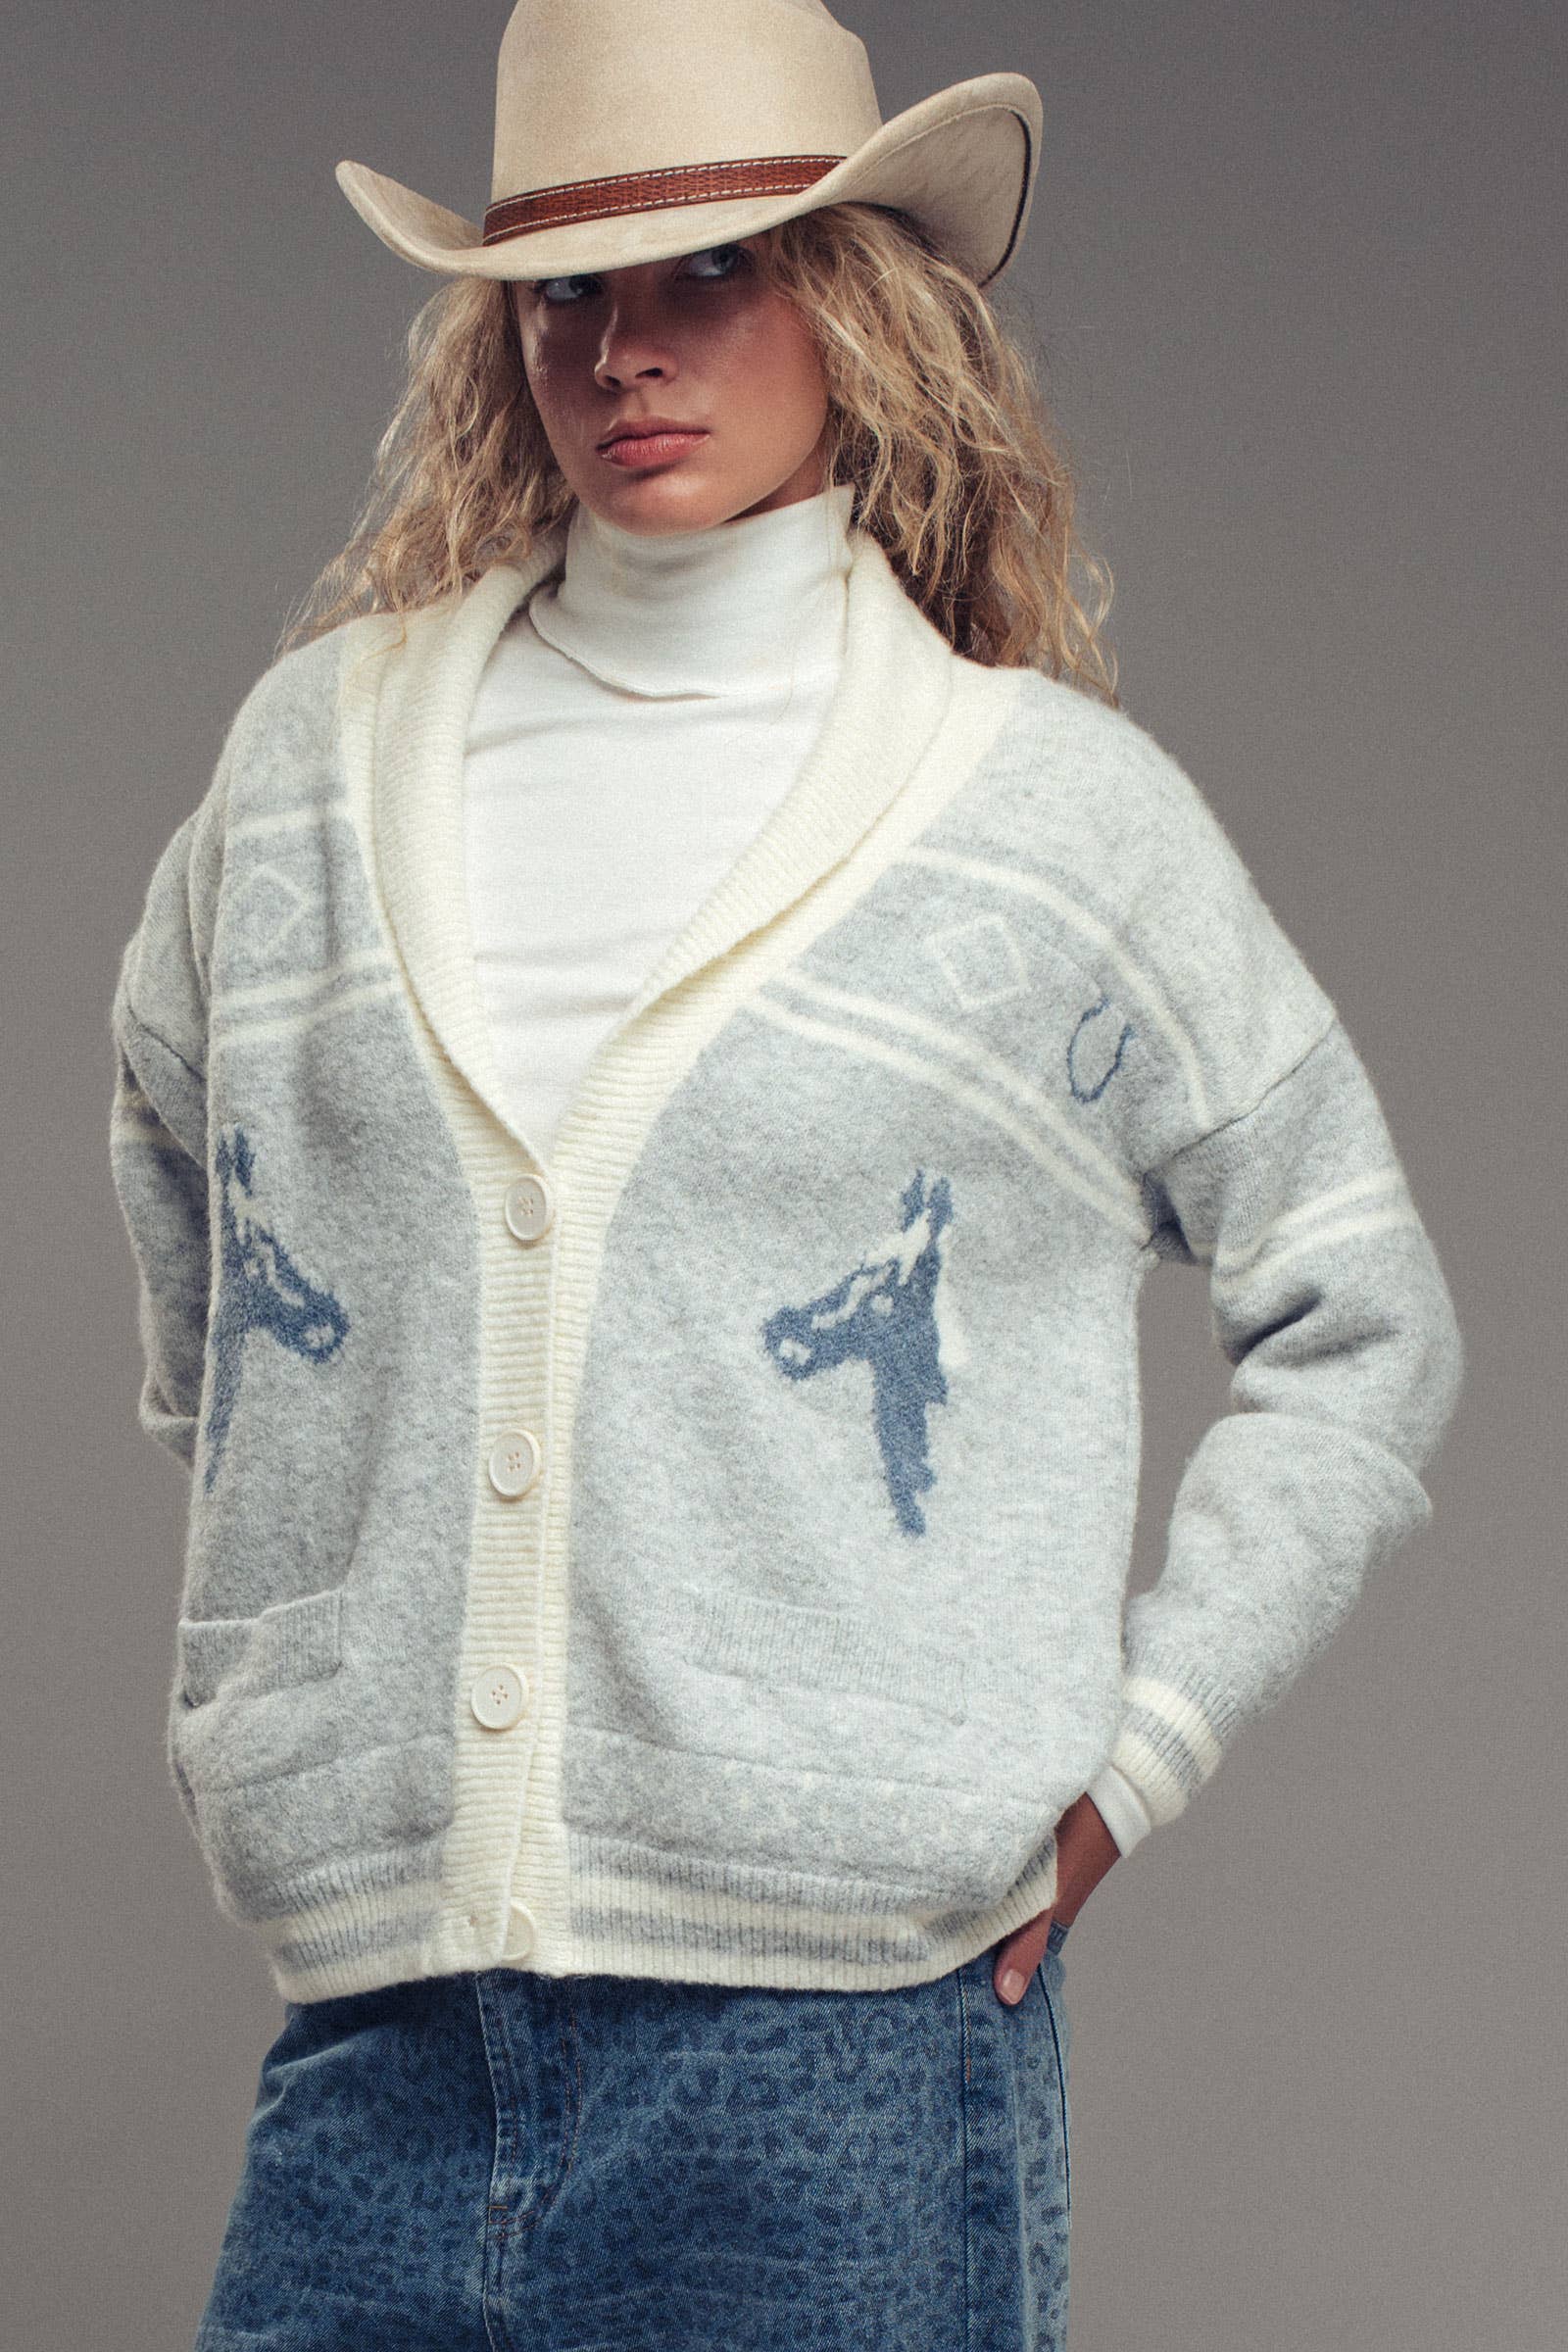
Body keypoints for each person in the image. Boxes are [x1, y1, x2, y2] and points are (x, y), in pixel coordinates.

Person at [106, 3, 1463, 2346]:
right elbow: (201, 1224)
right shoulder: (310, 768)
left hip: (840, 2069)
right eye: (562, 289)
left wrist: (1131, 1754)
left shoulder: (1045, 829)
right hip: (379, 2044)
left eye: (711, 271)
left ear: (853, 300)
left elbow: (1361, 1316)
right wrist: (313, 1625)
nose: (623, 347)